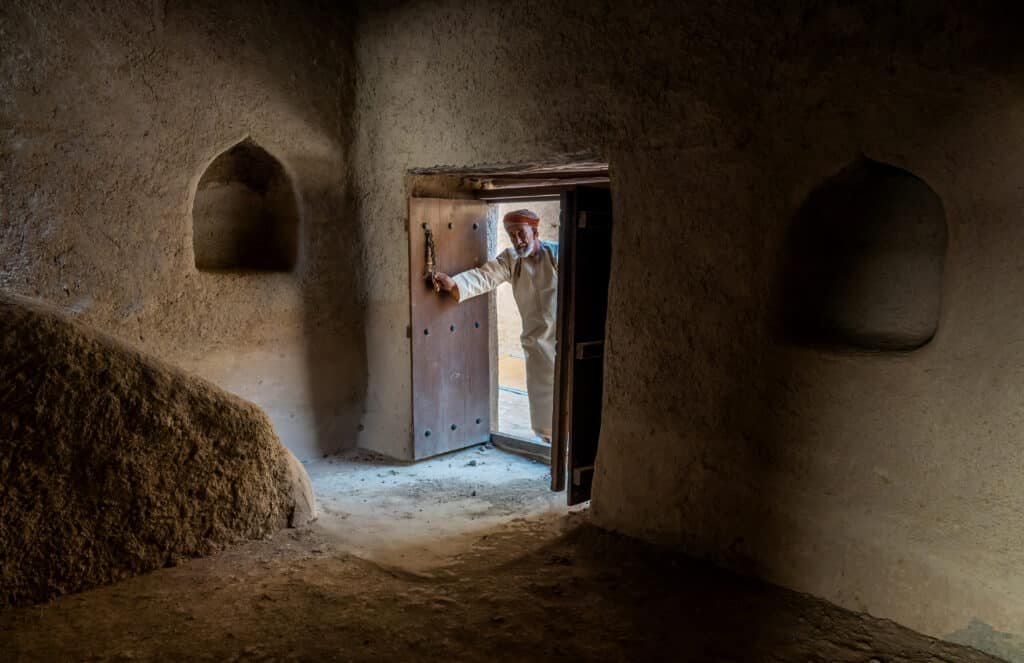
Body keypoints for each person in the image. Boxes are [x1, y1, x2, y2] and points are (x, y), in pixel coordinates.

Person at [433, 209, 558, 441]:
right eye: (511, 236)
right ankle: (550, 443)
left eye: (521, 233)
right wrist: (454, 284)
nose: (517, 240)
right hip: (536, 342)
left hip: (564, 339)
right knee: (545, 404)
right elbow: (486, 276)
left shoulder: (556, 254)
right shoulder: (511, 259)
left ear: (535, 231)